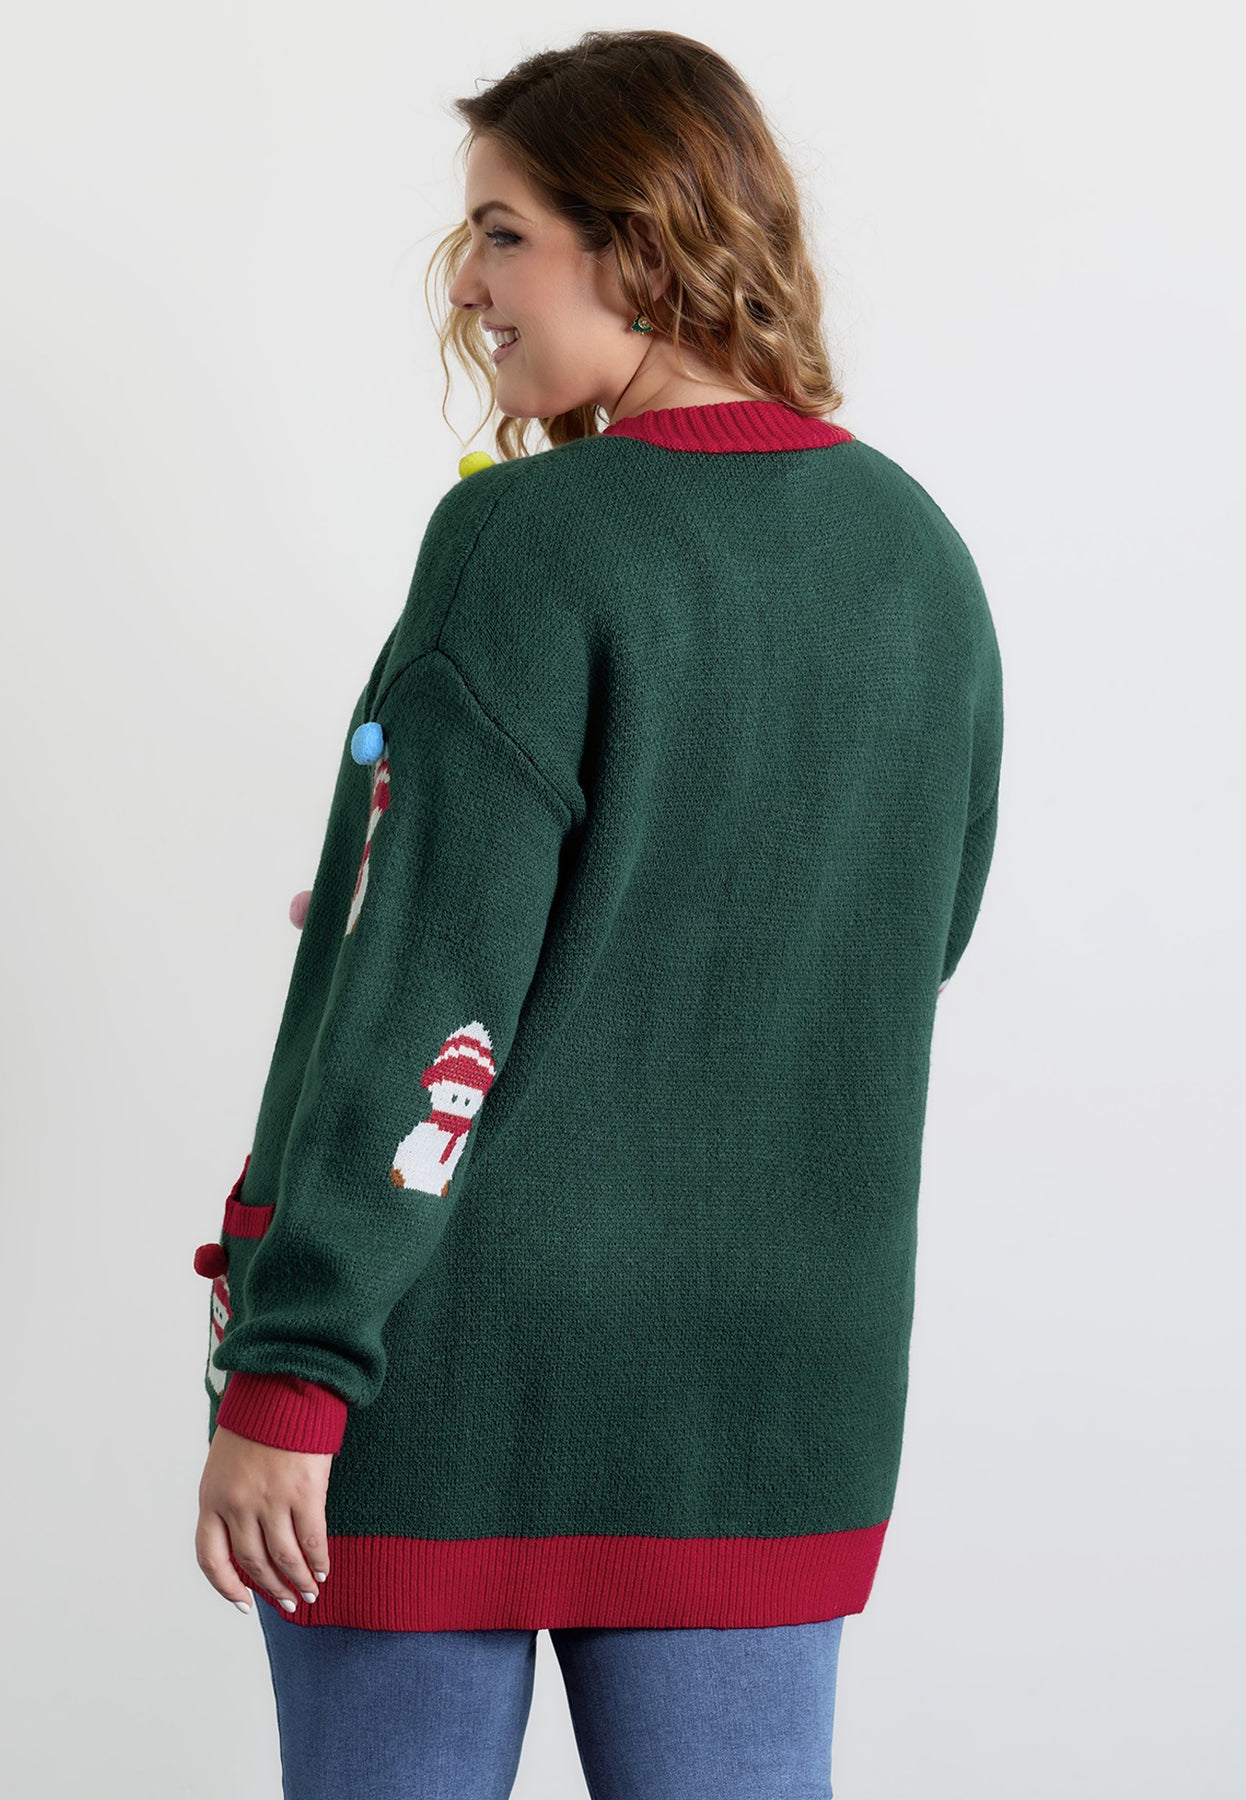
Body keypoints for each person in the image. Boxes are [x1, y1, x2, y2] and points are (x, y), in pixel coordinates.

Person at [191, 28, 1003, 1800]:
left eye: (503, 234)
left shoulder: (529, 539)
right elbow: (898, 943)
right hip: (768, 1390)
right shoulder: (916, 554)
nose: (468, 286)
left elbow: (423, 1003)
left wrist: (290, 1371)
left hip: (448, 1368)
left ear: (635, 245)